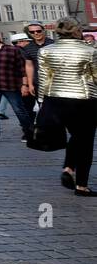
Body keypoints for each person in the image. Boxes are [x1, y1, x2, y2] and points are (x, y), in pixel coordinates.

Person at [37, 19, 97, 196]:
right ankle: (81, 185)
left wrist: (41, 102)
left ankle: (69, 168)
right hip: (83, 99)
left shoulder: (45, 51)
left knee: (76, 137)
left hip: (54, 99)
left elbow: (44, 78)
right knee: (84, 140)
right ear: (77, 31)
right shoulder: (90, 51)